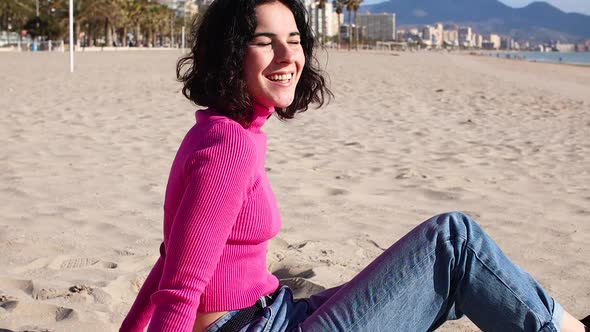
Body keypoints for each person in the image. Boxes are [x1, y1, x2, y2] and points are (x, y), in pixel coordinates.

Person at [119, 0, 589, 331]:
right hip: (256, 326)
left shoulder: (228, 131)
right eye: (266, 42)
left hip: (276, 311)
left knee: (442, 271)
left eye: (295, 40)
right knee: (454, 241)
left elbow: (170, 257)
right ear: (232, 53)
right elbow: (180, 287)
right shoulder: (227, 144)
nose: (289, 57)